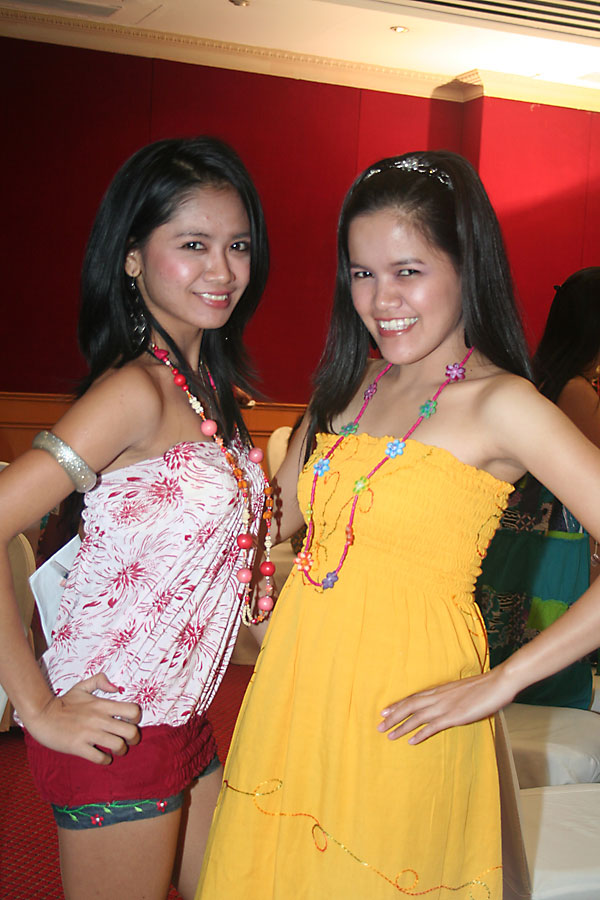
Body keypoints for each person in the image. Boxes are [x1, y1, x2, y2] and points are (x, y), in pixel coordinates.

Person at [196, 152, 600, 900]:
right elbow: (267, 520)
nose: (382, 300)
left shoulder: (503, 404)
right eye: (362, 273)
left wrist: (504, 682)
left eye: (407, 270)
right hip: (298, 688)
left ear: (466, 267)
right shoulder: (347, 385)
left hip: (410, 704)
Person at [0, 136, 270, 900]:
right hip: (115, 720)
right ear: (130, 258)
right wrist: (36, 708)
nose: (223, 270)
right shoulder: (134, 391)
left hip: (183, 716)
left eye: (238, 245)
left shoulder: (205, 389)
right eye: (193, 244)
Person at [476, 267, 600, 708]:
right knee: (548, 625)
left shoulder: (539, 379)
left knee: (511, 621)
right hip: (555, 536)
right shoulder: (576, 391)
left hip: (523, 530)